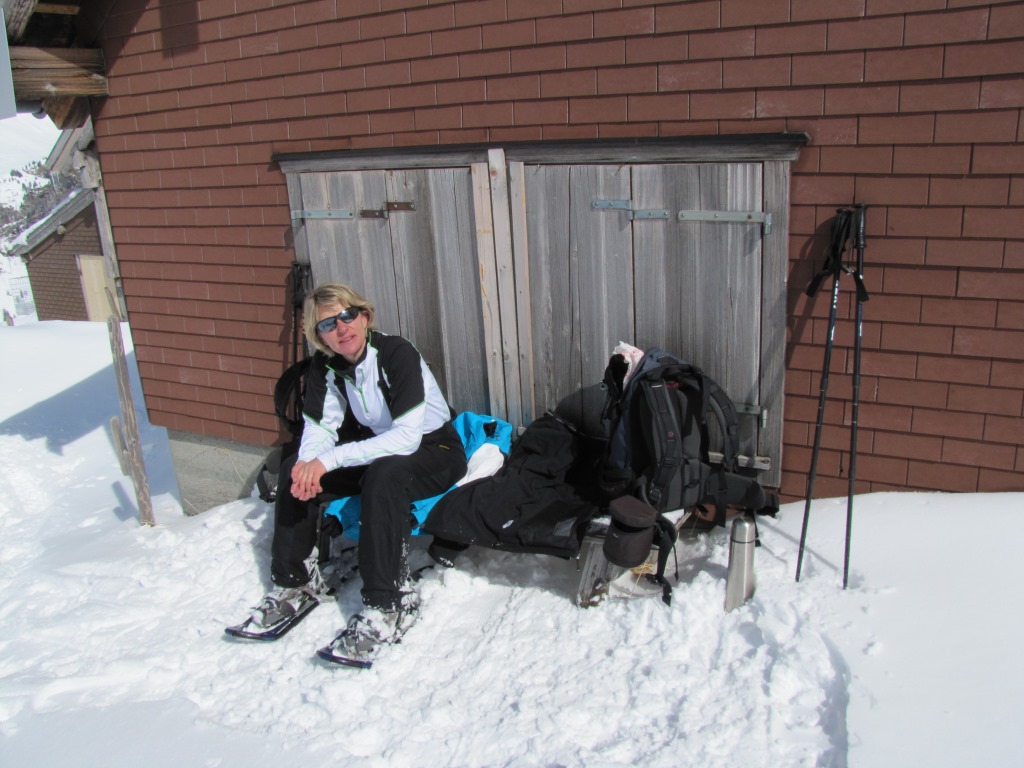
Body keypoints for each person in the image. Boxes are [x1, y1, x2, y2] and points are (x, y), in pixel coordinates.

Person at [269, 283, 467, 664]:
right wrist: (309, 466)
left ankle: (386, 602)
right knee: (294, 466)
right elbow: (320, 427)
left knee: (383, 475)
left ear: (364, 317)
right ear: (319, 336)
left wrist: (330, 460)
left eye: (347, 316)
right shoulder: (325, 366)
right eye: (328, 324)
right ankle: (294, 580)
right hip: (381, 448)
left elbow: (407, 437)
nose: (341, 328)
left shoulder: (396, 353)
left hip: (435, 449)